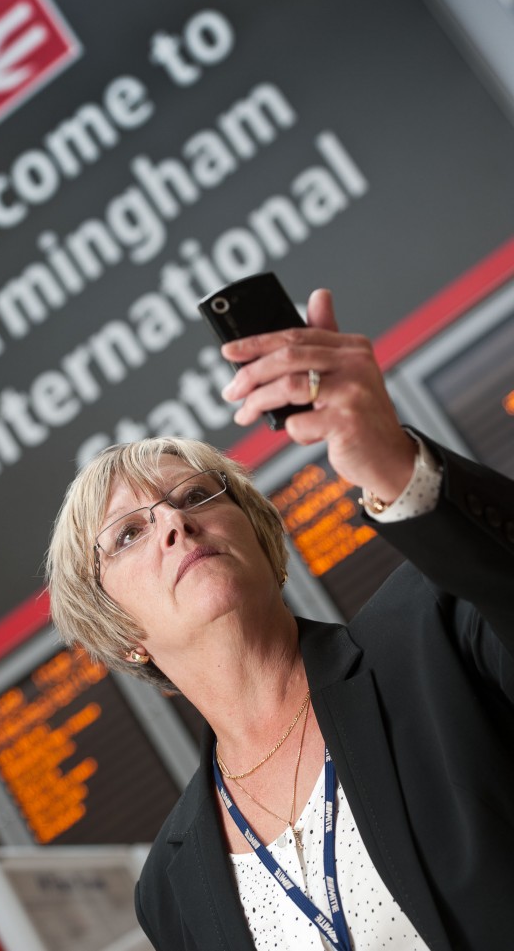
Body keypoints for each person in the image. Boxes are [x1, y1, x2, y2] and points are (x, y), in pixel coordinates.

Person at [46, 289, 514, 951]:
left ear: (263, 537)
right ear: (120, 631)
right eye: (127, 535)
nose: (175, 523)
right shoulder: (172, 887)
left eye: (194, 496)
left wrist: (395, 465)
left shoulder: (434, 628)